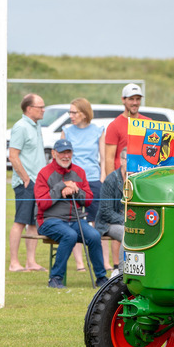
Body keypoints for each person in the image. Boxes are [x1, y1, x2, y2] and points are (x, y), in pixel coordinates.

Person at [36, 139, 108, 289]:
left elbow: (88, 200)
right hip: (49, 220)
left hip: (76, 219)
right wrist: (62, 187)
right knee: (69, 235)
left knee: (94, 236)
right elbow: (42, 203)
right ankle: (55, 278)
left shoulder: (79, 172)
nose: (65, 156)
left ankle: (101, 278)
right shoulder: (44, 173)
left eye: (68, 152)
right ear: (54, 153)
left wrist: (76, 190)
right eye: (62, 152)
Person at [62, 98, 104, 272]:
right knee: (75, 220)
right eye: (69, 112)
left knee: (94, 220)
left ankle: (98, 261)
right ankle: (79, 262)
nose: (71, 116)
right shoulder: (66, 131)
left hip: (93, 179)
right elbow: (63, 159)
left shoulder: (98, 130)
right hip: (73, 180)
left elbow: (103, 156)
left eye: (74, 112)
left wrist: (102, 178)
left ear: (85, 113)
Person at [8, 94, 48, 272]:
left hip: (37, 183)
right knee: (20, 221)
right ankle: (14, 263)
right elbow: (13, 155)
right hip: (26, 183)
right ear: (29, 109)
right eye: (40, 107)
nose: (43, 110)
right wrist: (25, 178)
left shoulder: (36, 126)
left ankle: (31, 262)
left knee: (33, 223)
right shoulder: (21, 127)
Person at [102, 83, 149, 180]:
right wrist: (112, 182)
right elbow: (109, 158)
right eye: (131, 99)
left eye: (138, 99)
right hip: (122, 178)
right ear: (123, 100)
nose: (135, 102)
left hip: (143, 177)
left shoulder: (148, 123)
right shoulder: (114, 126)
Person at [96, 146, 128, 277]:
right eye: (128, 160)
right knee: (127, 234)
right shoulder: (111, 179)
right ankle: (121, 273)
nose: (130, 163)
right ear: (121, 161)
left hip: (127, 222)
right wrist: (125, 221)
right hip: (106, 223)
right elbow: (105, 211)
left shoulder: (137, 180)